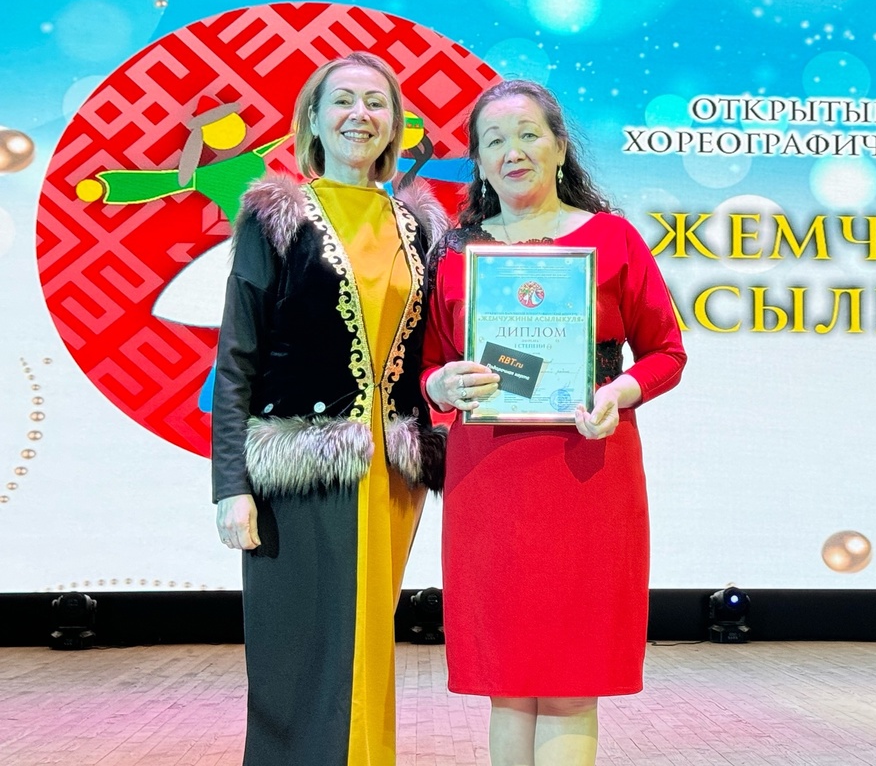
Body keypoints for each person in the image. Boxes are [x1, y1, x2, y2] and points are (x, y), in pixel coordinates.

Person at [420, 80, 686, 766]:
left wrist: (619, 391)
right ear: (479, 161)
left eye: (528, 135)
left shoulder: (613, 239)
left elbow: (666, 352)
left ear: (561, 147)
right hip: (489, 479)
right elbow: (428, 365)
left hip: (588, 473)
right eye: (494, 141)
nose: (512, 152)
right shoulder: (455, 253)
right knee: (506, 685)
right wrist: (440, 383)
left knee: (571, 683)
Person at [212, 51, 448, 766]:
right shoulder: (275, 216)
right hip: (300, 468)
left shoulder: (419, 224)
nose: (359, 115)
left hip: (393, 473)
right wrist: (230, 487)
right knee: (296, 654)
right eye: (342, 100)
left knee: (366, 646)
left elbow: (432, 348)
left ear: (395, 125)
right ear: (313, 119)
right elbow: (238, 357)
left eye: (376, 102)